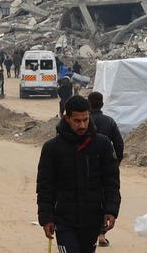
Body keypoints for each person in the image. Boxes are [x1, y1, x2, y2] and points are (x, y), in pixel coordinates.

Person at [36, 95, 121, 253]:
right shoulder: (52, 149)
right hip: (64, 220)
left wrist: (111, 209)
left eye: (85, 119)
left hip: (92, 219)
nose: (82, 125)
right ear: (66, 118)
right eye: (77, 121)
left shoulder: (102, 145)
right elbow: (45, 186)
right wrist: (46, 217)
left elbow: (111, 181)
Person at [87, 91, 124, 247]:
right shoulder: (109, 122)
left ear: (88, 104)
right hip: (105, 166)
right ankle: (101, 234)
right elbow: (119, 144)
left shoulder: (82, 121)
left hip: (85, 166)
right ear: (102, 104)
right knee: (105, 198)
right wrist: (116, 162)